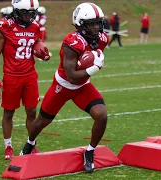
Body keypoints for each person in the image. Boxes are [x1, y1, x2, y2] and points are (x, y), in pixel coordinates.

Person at [20, 2, 108, 173]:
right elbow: (72, 76)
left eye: (98, 23)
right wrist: (94, 67)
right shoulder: (71, 42)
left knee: (102, 115)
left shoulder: (103, 38)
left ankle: (90, 151)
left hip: (83, 86)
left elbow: (87, 66)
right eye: (91, 24)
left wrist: (93, 63)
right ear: (80, 25)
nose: (96, 27)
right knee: (40, 122)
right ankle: (30, 143)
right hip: (63, 85)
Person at [0, 0, 49, 160]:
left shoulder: (35, 26)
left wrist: (44, 54)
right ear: (16, 12)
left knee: (32, 112)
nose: (30, 16)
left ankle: (31, 145)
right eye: (26, 13)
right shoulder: (5, 26)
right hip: (11, 76)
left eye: (33, 13)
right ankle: (8, 146)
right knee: (9, 112)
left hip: (30, 75)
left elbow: (36, 45)